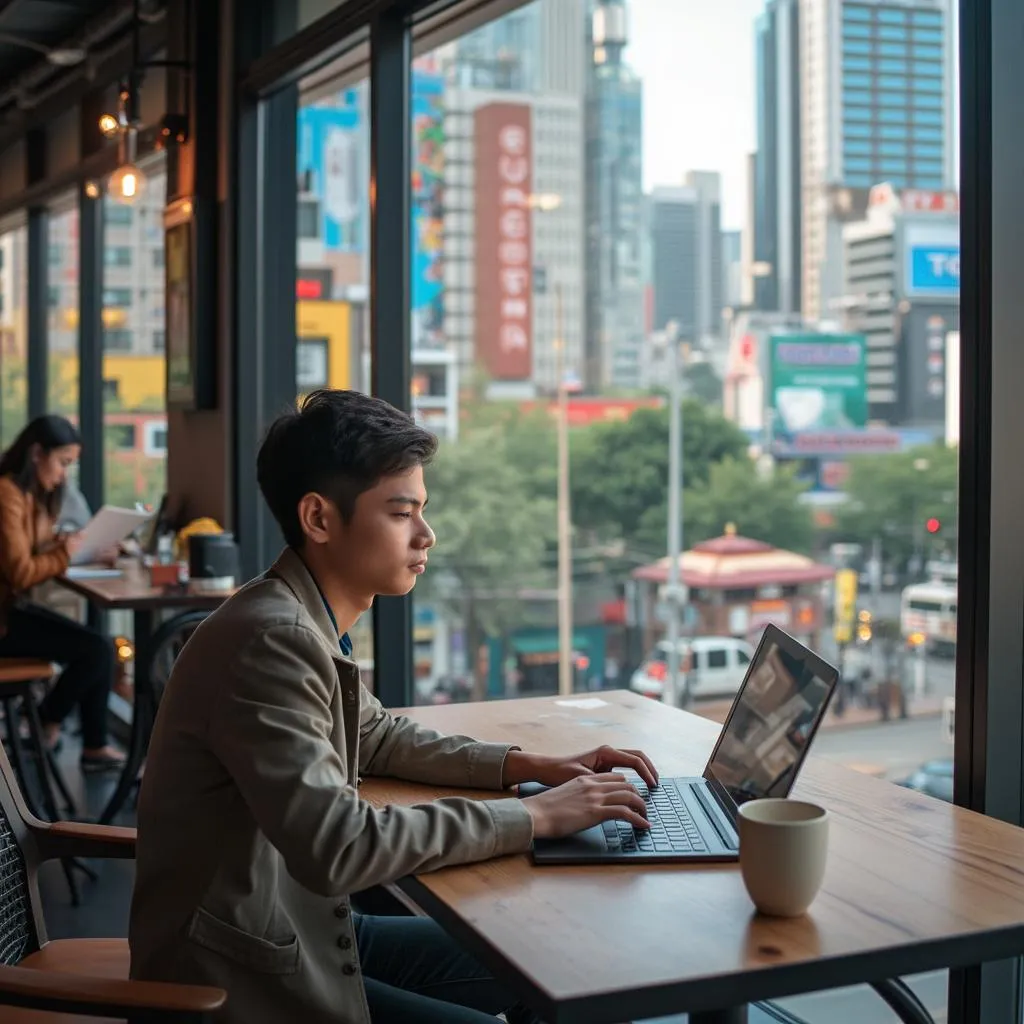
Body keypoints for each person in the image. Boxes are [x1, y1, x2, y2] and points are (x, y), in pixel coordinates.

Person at [130, 389, 658, 1024]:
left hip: (300, 931)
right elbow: (339, 846)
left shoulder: (293, 616)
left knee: (556, 958)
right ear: (319, 519)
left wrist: (531, 767)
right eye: (402, 512)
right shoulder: (273, 641)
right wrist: (536, 819)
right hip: (241, 980)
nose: (426, 534)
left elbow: (374, 735)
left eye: (422, 510)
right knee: (548, 966)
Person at [0, 415, 124, 771]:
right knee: (96, 649)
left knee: (97, 645)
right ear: (37, 453)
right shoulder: (7, 494)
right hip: (4, 623)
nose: (63, 475)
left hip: (10, 613)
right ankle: (45, 723)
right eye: (63, 463)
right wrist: (65, 553)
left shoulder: (27, 495)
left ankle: (85, 741)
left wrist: (84, 549)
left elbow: (33, 548)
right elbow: (22, 572)